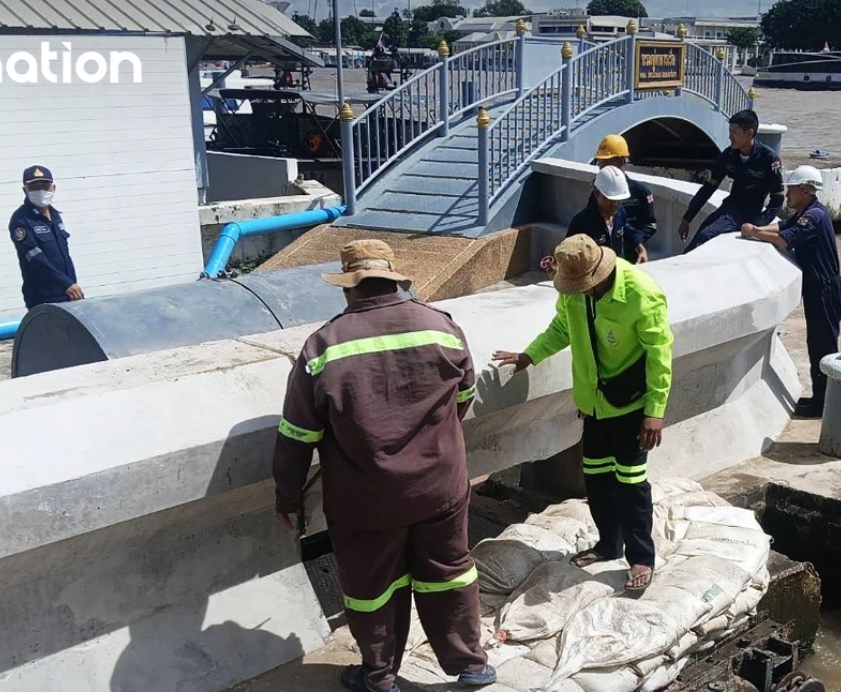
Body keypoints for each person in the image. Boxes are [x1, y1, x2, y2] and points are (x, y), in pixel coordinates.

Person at [271, 239, 493, 692]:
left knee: (372, 587)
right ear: (394, 279)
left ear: (348, 287)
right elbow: (464, 398)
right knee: (450, 571)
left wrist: (287, 495)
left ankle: (380, 676)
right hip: (440, 486)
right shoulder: (442, 327)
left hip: (365, 499)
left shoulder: (323, 346)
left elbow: (298, 434)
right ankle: (470, 664)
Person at [491, 235, 674, 590]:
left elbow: (659, 352)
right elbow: (563, 328)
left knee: (631, 483)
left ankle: (641, 558)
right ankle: (608, 545)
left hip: (632, 403)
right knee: (597, 477)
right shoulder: (573, 291)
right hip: (594, 405)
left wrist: (655, 411)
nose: (577, 291)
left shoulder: (641, 293)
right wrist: (530, 355)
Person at [741, 165, 841, 418]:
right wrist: (755, 229)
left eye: (791, 190)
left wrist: (754, 232)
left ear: (804, 190)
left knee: (823, 348)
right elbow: (782, 228)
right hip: (820, 288)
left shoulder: (813, 217)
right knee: (816, 344)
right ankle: (821, 398)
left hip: (825, 290)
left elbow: (785, 239)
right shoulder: (807, 212)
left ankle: (822, 404)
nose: (787, 194)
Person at [677, 110, 785, 254]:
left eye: (735, 133)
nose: (730, 137)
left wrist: (759, 225)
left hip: (749, 212)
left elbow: (778, 198)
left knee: (706, 236)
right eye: (730, 132)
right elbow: (709, 187)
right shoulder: (728, 155)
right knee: (696, 241)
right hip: (729, 208)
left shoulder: (769, 159)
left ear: (749, 133)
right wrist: (687, 218)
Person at [9, 165, 83, 309]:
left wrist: (71, 284)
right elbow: (37, 260)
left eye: (45, 186)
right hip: (43, 297)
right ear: (25, 190)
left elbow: (64, 255)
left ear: (53, 188)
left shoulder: (55, 215)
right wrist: (66, 284)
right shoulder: (21, 220)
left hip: (68, 293)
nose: (41, 191)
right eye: (34, 187)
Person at [587, 134, 657, 263]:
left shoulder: (641, 192)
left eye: (606, 162)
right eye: (600, 162)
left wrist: (635, 243)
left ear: (621, 162)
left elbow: (649, 225)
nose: (602, 167)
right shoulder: (598, 192)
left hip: (633, 257)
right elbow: (591, 221)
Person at [567, 166, 641, 264]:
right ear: (597, 193)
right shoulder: (581, 223)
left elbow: (625, 229)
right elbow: (568, 254)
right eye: (611, 199)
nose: (615, 204)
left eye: (619, 200)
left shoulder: (620, 213)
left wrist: (640, 248)